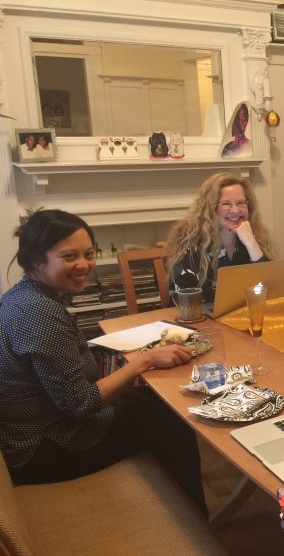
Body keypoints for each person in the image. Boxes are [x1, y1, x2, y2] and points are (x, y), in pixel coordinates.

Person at [0, 209, 207, 514]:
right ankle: (198, 519)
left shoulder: (22, 296)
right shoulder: (39, 312)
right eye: (69, 256)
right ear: (34, 259)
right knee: (171, 420)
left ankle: (181, 504)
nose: (83, 265)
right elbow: (79, 404)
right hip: (47, 447)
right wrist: (144, 360)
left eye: (88, 254)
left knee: (159, 402)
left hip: (38, 432)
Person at [165, 172, 275, 302]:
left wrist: (252, 244)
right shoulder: (189, 239)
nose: (235, 210)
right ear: (210, 208)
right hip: (195, 318)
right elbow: (189, 297)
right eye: (226, 204)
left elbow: (272, 289)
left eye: (241, 202)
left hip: (240, 315)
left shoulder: (254, 236)